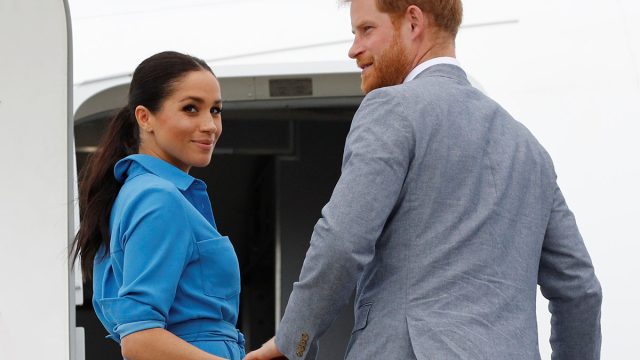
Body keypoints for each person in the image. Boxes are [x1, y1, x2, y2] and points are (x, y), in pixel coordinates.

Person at [245, 0, 602, 359]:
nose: (354, 49)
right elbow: (580, 290)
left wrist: (294, 341)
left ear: (413, 22)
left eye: (366, 30)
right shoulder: (529, 149)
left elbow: (341, 240)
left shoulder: (392, 108)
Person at [72, 51, 245, 360]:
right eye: (191, 108)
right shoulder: (158, 198)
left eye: (215, 110)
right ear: (144, 117)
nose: (210, 125)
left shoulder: (140, 192)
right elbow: (140, 339)